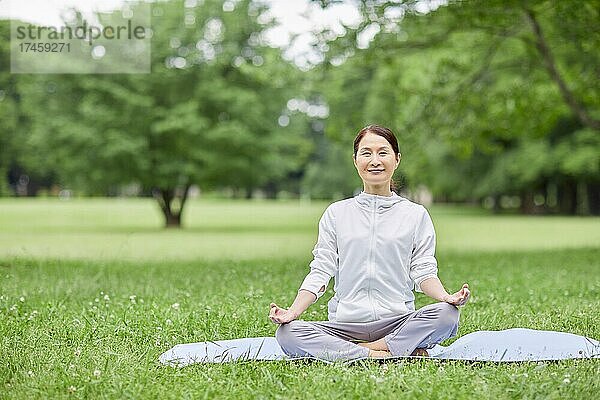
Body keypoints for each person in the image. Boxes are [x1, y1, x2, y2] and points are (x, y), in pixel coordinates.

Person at [268, 124, 471, 361]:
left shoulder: (415, 215)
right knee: (288, 334)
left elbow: (424, 271)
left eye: (383, 152)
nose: (375, 160)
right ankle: (383, 352)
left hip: (397, 321)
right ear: (355, 161)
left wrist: (446, 297)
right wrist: (292, 311)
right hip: (345, 326)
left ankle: (368, 349)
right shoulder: (337, 213)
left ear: (396, 159)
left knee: (447, 315)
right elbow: (321, 269)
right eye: (366, 153)